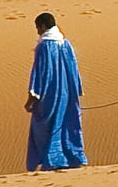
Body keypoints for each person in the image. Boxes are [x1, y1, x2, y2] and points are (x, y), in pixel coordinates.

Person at [23, 13, 85, 172]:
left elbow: (40, 72)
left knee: (44, 127)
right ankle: (72, 158)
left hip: (49, 96)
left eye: (38, 28)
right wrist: (76, 90)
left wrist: (33, 96)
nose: (37, 32)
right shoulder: (66, 44)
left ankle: (53, 160)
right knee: (67, 124)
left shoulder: (44, 47)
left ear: (43, 26)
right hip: (67, 94)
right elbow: (74, 70)